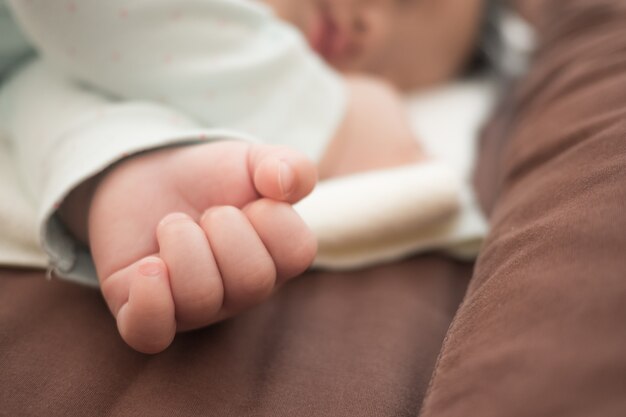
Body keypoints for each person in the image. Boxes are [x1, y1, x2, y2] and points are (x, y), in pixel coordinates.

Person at [0, 0, 486, 353]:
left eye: (390, 66)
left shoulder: (118, 63)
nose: (370, 27)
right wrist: (327, 115)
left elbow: (29, 80)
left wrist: (118, 166)